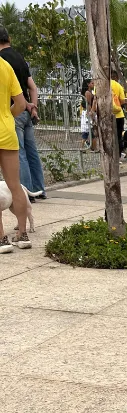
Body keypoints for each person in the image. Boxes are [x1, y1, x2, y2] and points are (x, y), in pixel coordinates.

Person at [0, 27, 44, 201]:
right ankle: (40, 189)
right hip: (26, 111)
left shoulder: (2, 60)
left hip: (12, 111)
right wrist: (33, 108)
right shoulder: (20, 58)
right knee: (32, 152)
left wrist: (9, 114)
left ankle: (25, 194)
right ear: (8, 38)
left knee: (19, 154)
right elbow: (33, 87)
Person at [0, 51, 29, 251]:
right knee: (15, 186)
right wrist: (7, 117)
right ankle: (22, 234)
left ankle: (2, 239)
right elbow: (21, 104)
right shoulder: (6, 66)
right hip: (7, 132)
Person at [110, 69, 127, 159]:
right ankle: (118, 155)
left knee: (109, 136)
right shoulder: (118, 86)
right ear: (116, 77)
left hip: (106, 115)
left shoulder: (100, 85)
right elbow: (123, 101)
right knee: (119, 136)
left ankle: (109, 155)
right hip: (119, 115)